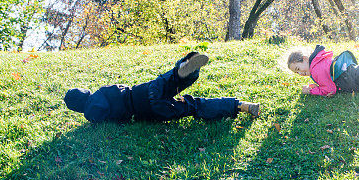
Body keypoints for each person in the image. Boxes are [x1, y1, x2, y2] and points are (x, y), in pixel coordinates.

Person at [64, 52, 259, 123]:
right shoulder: (102, 91)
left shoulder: (91, 115)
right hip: (143, 92)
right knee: (170, 81)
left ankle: (239, 106)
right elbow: (122, 87)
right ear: (86, 92)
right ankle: (184, 68)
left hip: (149, 112)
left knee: (194, 106)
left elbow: (111, 119)